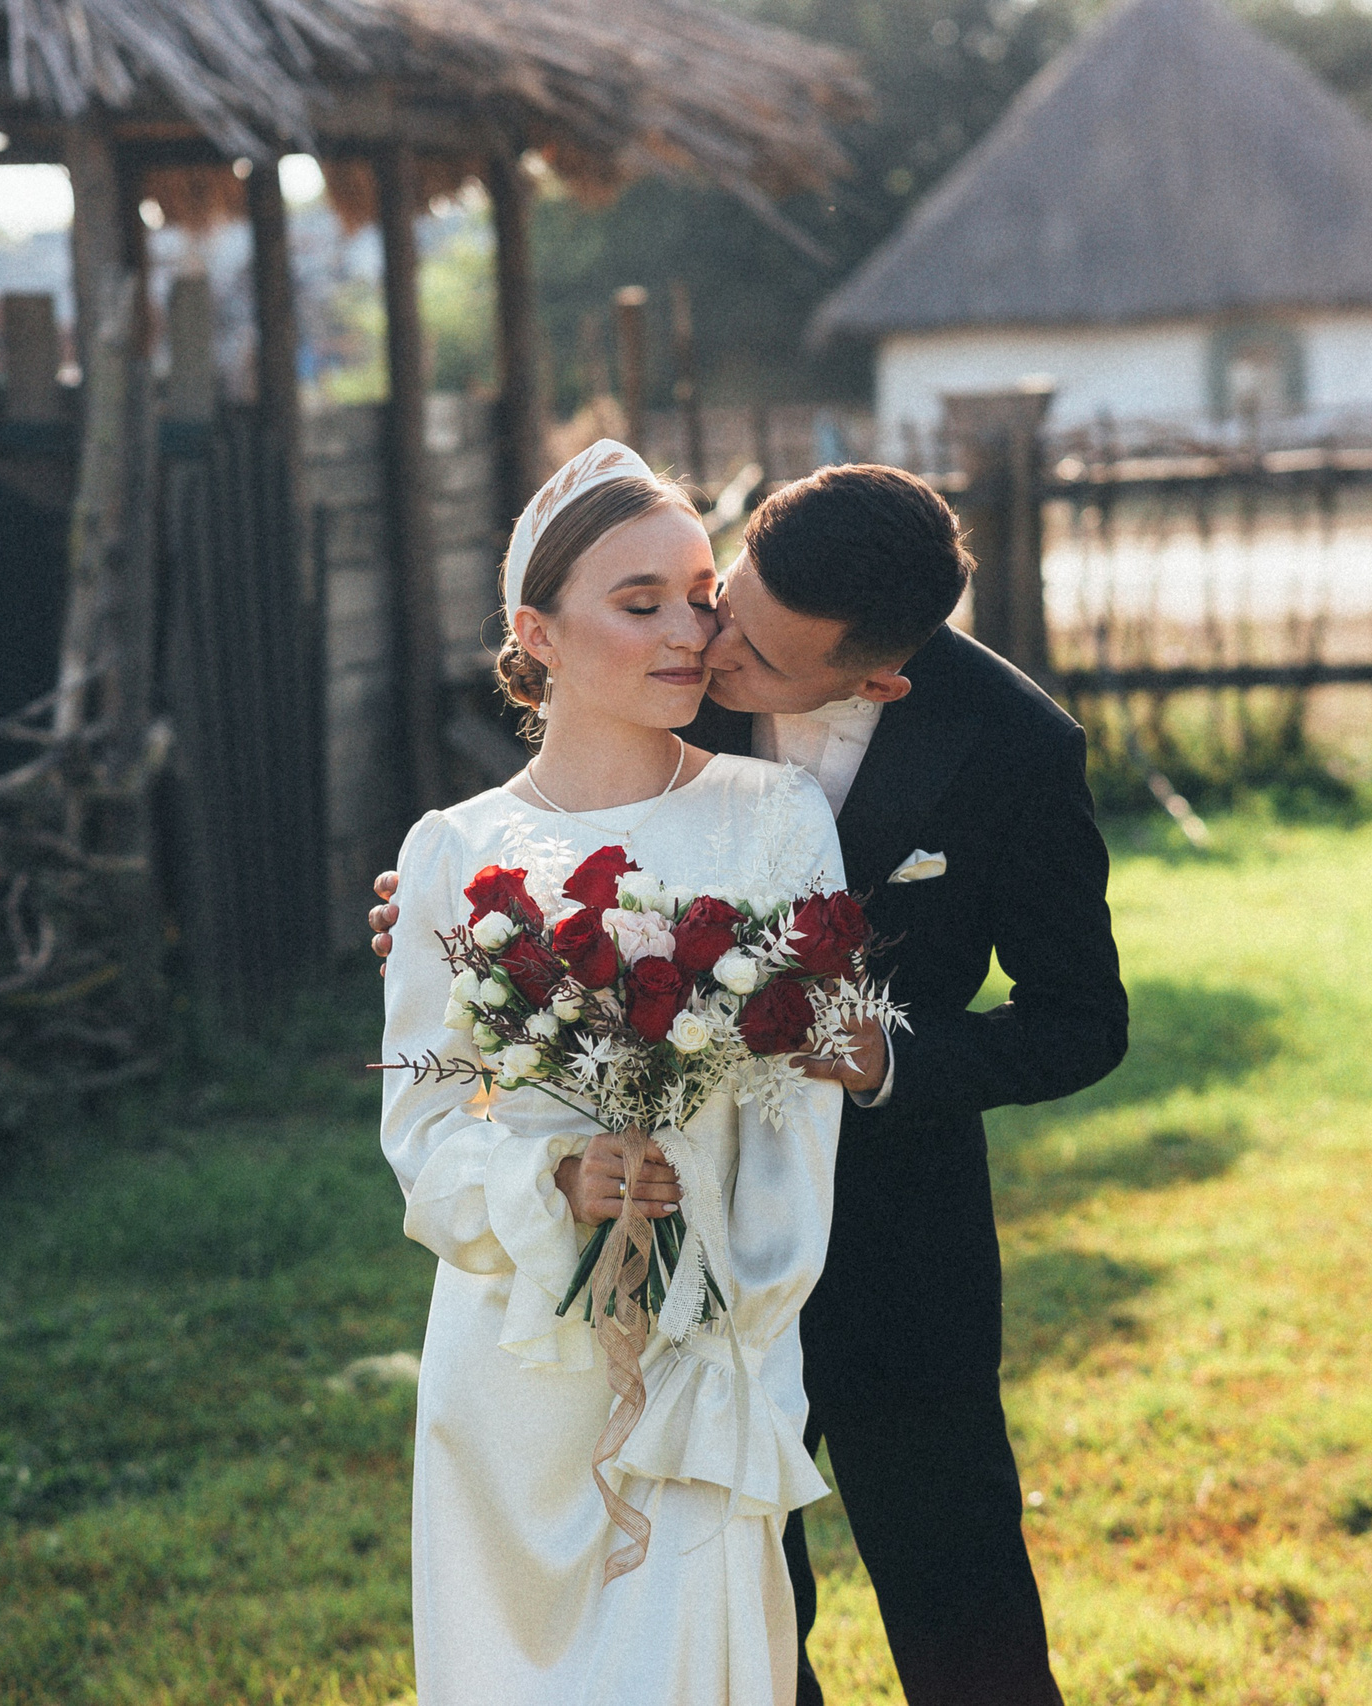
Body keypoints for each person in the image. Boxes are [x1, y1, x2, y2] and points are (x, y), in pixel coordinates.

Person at [374, 462, 1128, 1705]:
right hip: (654, 1252)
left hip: (890, 1232)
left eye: (751, 649)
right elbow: (566, 823)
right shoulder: (680, 655)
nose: (708, 648)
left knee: (959, 1598)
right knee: (728, 1610)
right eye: (720, 599)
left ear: (876, 676)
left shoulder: (1013, 745)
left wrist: (889, 1060)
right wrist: (462, 922)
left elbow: (1080, 1023)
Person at [380, 440, 882, 1704]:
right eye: (639, 601)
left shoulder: (776, 816)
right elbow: (422, 1130)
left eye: (701, 594)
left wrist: (728, 1317)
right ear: (534, 633)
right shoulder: (451, 849)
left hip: (704, 1349)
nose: (686, 633)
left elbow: (796, 1124)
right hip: (511, 1363)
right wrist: (555, 1176)